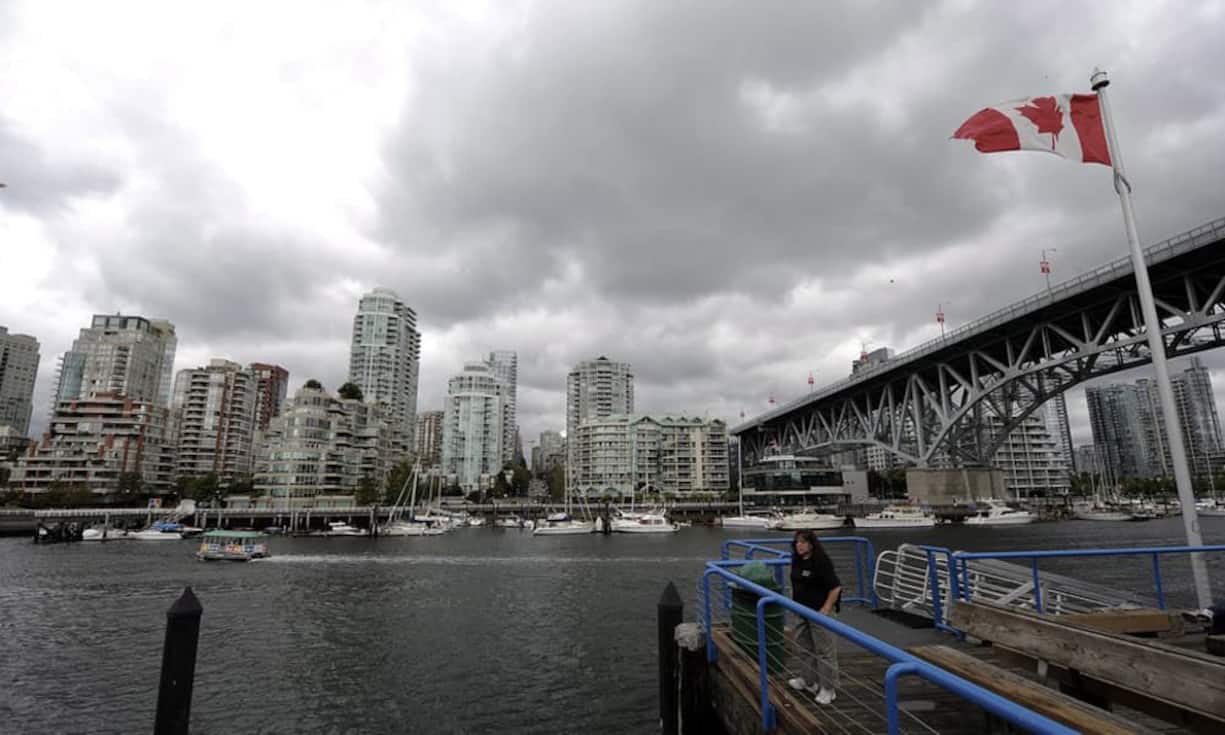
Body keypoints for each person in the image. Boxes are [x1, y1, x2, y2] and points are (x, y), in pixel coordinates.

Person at [788, 529, 841, 704]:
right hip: (801, 611)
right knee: (804, 647)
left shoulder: (821, 562)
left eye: (803, 542)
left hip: (819, 612)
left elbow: (835, 587)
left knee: (824, 650)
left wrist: (825, 609)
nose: (799, 545)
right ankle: (809, 681)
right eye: (797, 542)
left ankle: (828, 688)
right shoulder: (796, 560)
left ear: (811, 544)